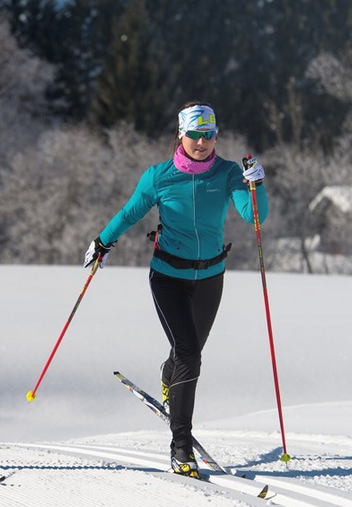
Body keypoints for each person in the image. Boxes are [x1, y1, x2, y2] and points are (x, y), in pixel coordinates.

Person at [83, 102, 267, 478]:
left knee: (188, 353)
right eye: (194, 134)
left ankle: (169, 376)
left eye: (209, 135)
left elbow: (254, 216)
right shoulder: (159, 176)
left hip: (211, 277)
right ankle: (181, 447)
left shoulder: (229, 172)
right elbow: (131, 212)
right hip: (168, 276)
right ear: (180, 135)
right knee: (190, 353)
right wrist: (102, 242)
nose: (201, 142)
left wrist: (256, 184)